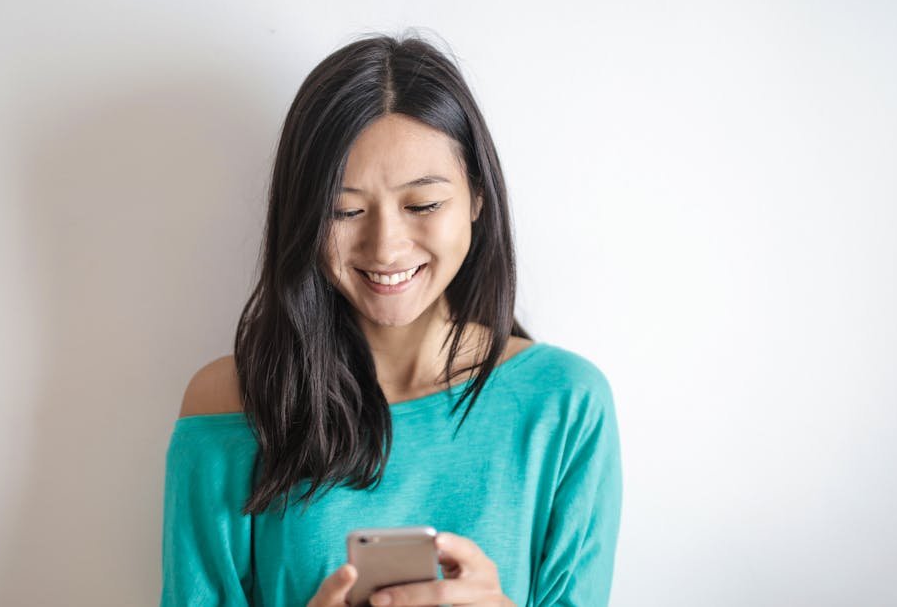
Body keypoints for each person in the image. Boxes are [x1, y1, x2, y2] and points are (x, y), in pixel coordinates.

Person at [161, 31, 622, 607]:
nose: (385, 247)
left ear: (478, 196)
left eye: (422, 205)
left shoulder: (565, 404)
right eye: (344, 210)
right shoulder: (229, 404)